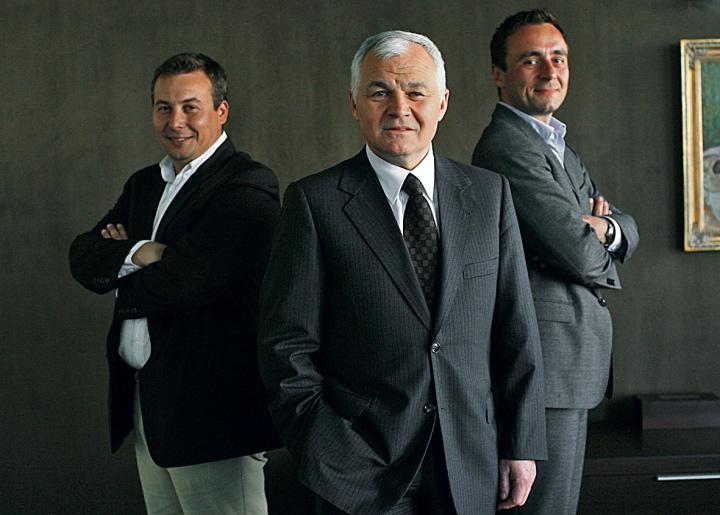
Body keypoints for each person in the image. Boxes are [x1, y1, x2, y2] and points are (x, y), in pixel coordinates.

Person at [258, 31, 546, 515]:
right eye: (380, 92)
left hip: (471, 462)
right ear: (354, 103)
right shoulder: (314, 202)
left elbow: (516, 329)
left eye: (416, 92)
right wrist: (327, 453)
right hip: (358, 474)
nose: (399, 108)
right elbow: (285, 348)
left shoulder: (489, 194)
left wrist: (521, 443)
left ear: (442, 102)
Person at [69, 53, 281, 514]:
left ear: (221, 111)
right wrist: (147, 253)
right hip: (149, 405)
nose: (175, 121)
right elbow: (82, 256)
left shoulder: (247, 185)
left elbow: (187, 283)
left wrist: (123, 262)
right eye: (163, 107)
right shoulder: (144, 184)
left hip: (213, 416)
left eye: (190, 107)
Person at [472, 9, 639, 514]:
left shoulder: (555, 145)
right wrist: (592, 232)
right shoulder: (508, 147)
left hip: (568, 366)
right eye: (531, 60)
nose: (550, 71)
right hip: (542, 370)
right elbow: (579, 254)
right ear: (499, 74)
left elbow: (623, 227)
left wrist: (605, 228)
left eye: (558, 58)